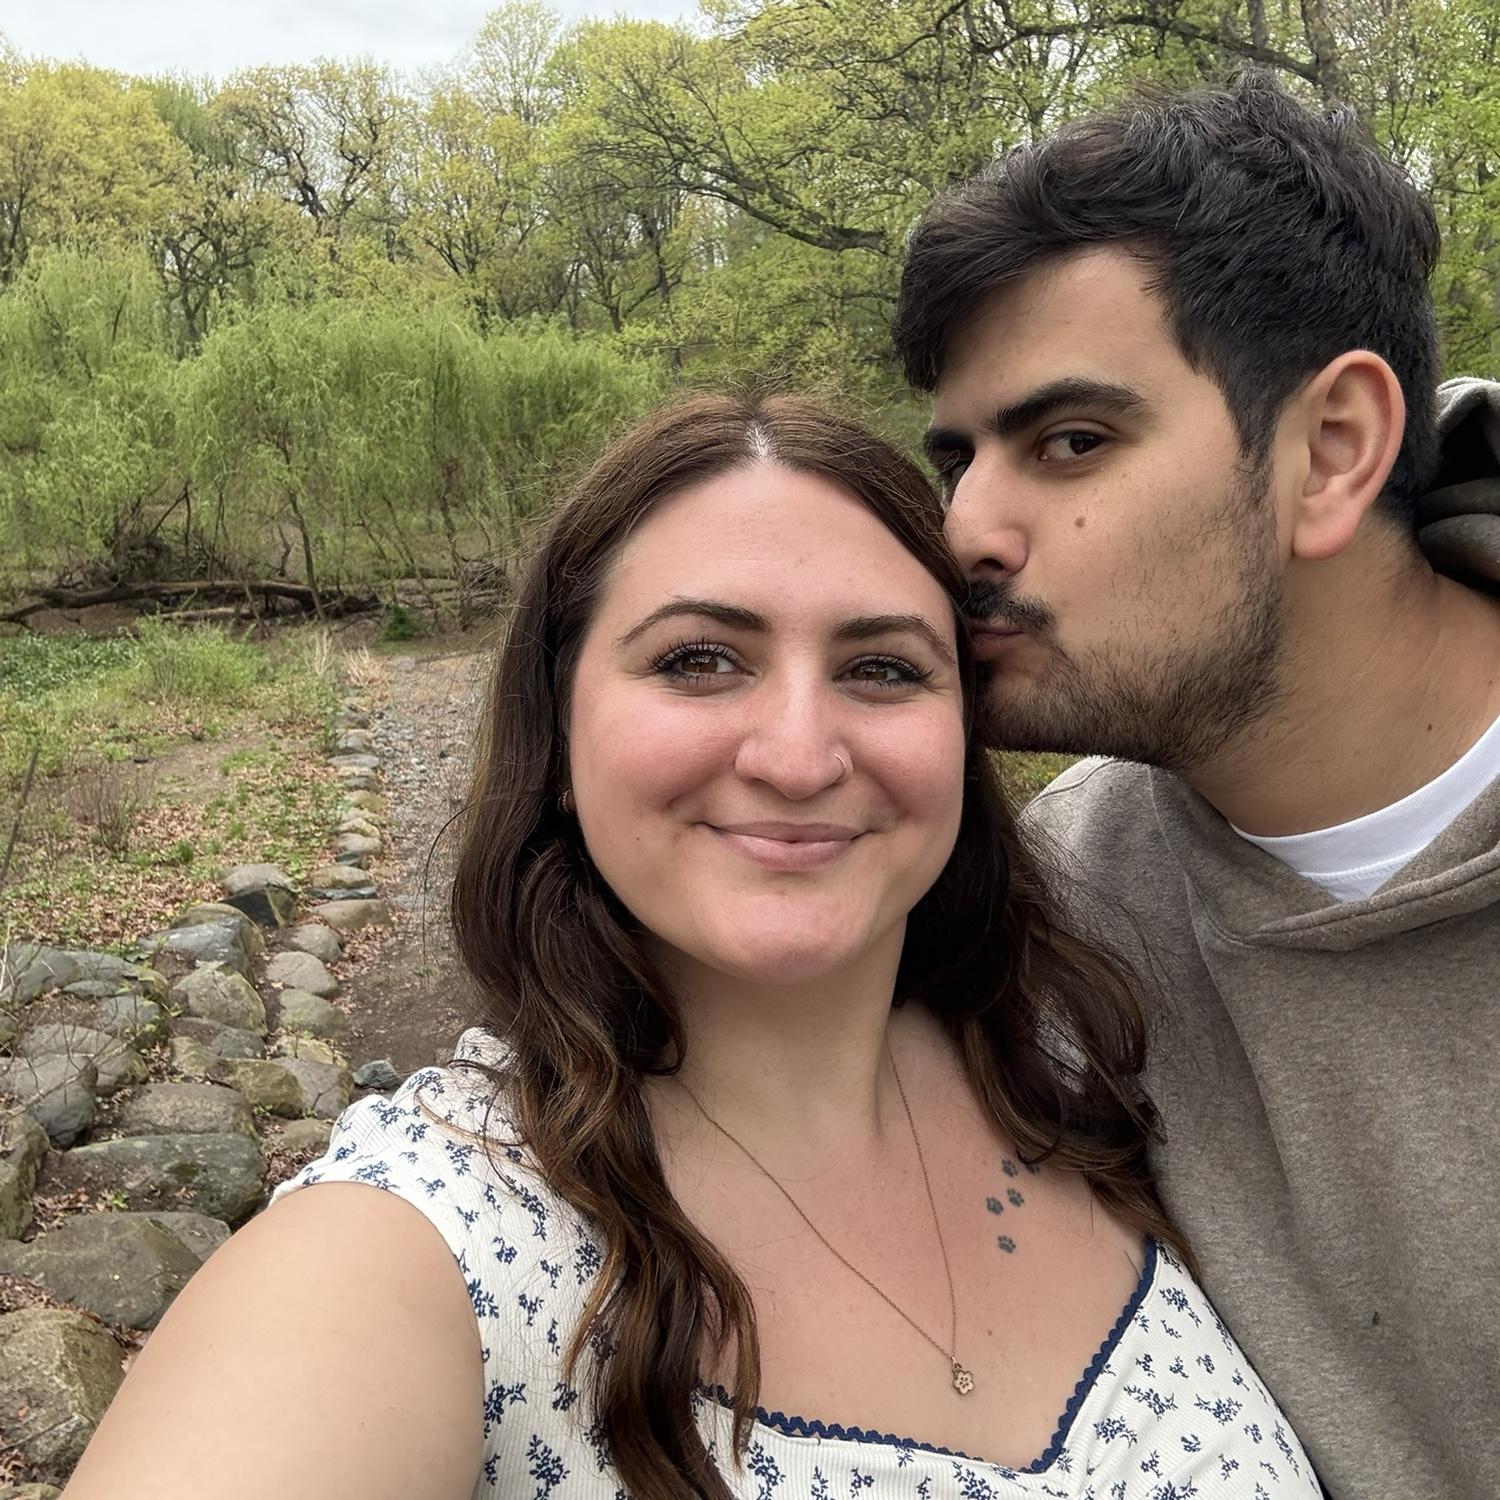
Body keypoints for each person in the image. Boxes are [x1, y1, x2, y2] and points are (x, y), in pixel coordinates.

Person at [63, 395, 1318, 1500]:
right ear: (559, 735)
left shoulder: (1092, 1057)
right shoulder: (421, 1252)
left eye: (884, 668)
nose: (799, 755)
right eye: (700, 660)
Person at [893, 68, 1500, 1500]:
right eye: (958, 459)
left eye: (1071, 441)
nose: (962, 532)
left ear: (1331, 452)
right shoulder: (1063, 899)